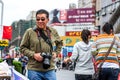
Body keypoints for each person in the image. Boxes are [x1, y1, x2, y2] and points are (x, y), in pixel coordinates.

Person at [19, 9, 62, 80]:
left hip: (50, 68)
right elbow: (22, 48)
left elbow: (59, 43)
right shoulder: (29, 32)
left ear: (48, 19)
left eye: (42, 19)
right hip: (34, 70)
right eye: (38, 19)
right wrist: (34, 55)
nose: (40, 21)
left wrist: (56, 53)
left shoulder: (53, 31)